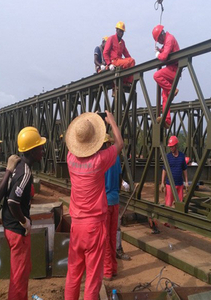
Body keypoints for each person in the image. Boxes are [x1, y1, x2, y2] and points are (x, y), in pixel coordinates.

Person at [64, 111, 123, 300]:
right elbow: (119, 144)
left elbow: (75, 143)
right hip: (94, 226)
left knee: (73, 273)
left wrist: (85, 123)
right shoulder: (99, 161)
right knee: (92, 278)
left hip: (76, 225)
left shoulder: (70, 160)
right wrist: (111, 122)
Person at [2, 127, 46, 300]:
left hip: (9, 227)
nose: (43, 151)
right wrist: (24, 222)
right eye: (40, 148)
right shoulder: (25, 173)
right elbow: (13, 201)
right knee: (19, 278)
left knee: (22, 270)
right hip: (17, 231)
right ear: (33, 151)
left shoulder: (17, 167)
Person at [102, 133, 129, 281]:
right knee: (113, 237)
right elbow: (119, 179)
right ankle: (114, 268)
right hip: (115, 201)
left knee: (105, 238)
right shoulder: (116, 158)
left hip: (104, 203)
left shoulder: (102, 159)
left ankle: (107, 271)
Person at [152, 25, 180, 129]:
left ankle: (173, 90)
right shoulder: (168, 40)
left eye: (158, 40)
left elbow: (163, 57)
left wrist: (158, 55)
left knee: (157, 75)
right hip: (172, 69)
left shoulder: (169, 39)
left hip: (174, 69)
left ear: (160, 36)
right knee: (165, 96)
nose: (159, 42)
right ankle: (167, 120)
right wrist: (160, 49)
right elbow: (166, 51)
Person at [103, 21, 135, 85]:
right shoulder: (111, 39)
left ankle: (129, 82)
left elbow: (127, 54)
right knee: (127, 62)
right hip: (113, 61)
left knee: (132, 61)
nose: (121, 33)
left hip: (119, 60)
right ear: (116, 30)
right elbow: (105, 53)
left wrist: (131, 61)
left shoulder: (122, 42)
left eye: (122, 31)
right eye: (120, 31)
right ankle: (124, 81)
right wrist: (109, 64)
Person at [160, 136, 188, 207]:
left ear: (176, 146)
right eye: (170, 147)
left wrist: (186, 182)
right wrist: (162, 182)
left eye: (172, 146)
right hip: (169, 185)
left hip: (179, 184)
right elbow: (164, 169)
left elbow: (184, 169)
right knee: (168, 204)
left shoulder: (182, 156)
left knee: (179, 205)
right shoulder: (168, 156)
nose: (171, 148)